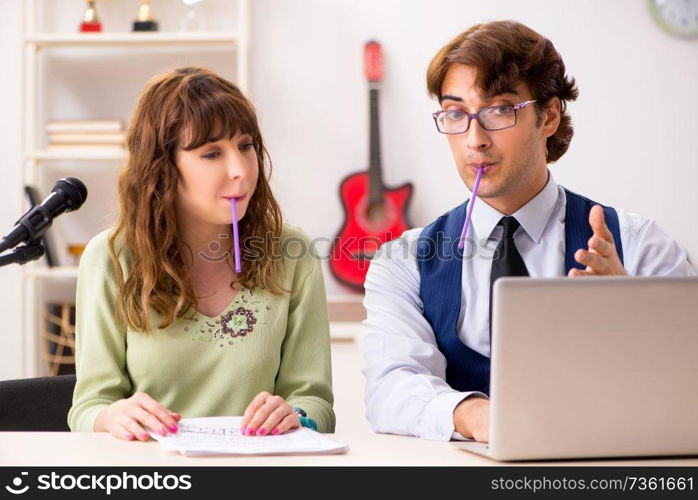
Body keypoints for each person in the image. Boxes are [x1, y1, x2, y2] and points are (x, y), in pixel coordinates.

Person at [362, 20, 696, 443]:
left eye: (499, 110)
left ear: (549, 116)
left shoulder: (639, 244)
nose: (474, 139)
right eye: (455, 113)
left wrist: (631, 322)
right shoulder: (403, 260)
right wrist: (479, 416)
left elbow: (687, 388)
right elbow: (390, 387)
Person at [68, 67, 335, 440]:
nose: (240, 170)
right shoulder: (111, 258)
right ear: (162, 168)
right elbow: (88, 408)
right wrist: (113, 416)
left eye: (245, 146)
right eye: (211, 154)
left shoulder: (291, 253)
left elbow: (317, 403)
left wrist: (296, 414)